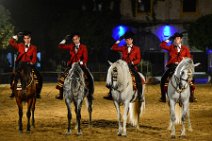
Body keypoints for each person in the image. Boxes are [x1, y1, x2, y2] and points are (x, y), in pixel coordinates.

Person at [104, 31, 144, 102]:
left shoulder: (137, 49)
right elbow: (113, 48)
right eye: (125, 40)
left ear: (132, 40)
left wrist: (132, 62)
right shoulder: (123, 48)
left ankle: (140, 95)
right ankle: (111, 93)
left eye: (128, 40)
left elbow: (138, 59)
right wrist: (119, 40)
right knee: (114, 75)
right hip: (123, 67)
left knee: (138, 78)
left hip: (132, 67)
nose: (127, 41)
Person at [159, 32, 197, 103]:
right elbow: (162, 45)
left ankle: (192, 95)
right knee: (163, 79)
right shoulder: (171, 47)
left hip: (183, 67)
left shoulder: (185, 49)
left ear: (181, 40)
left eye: (178, 38)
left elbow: (189, 58)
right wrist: (168, 39)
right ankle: (163, 97)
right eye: (175, 38)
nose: (176, 40)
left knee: (192, 78)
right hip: (173, 66)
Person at [56, 33, 93, 100]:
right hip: (72, 65)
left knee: (89, 77)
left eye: (76, 39)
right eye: (73, 40)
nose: (75, 41)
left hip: (80, 65)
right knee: (63, 76)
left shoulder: (83, 47)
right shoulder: (71, 46)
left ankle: (90, 94)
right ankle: (60, 94)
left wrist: (82, 62)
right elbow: (60, 46)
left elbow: (85, 58)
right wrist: (64, 39)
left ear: (79, 38)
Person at [9, 31, 42, 98]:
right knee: (13, 75)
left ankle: (38, 92)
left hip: (29, 64)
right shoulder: (20, 45)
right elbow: (11, 42)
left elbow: (35, 57)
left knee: (39, 76)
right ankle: (13, 91)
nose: (26, 40)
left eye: (27, 38)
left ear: (30, 39)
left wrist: (32, 62)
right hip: (20, 64)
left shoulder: (34, 47)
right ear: (23, 39)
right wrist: (16, 36)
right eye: (25, 38)